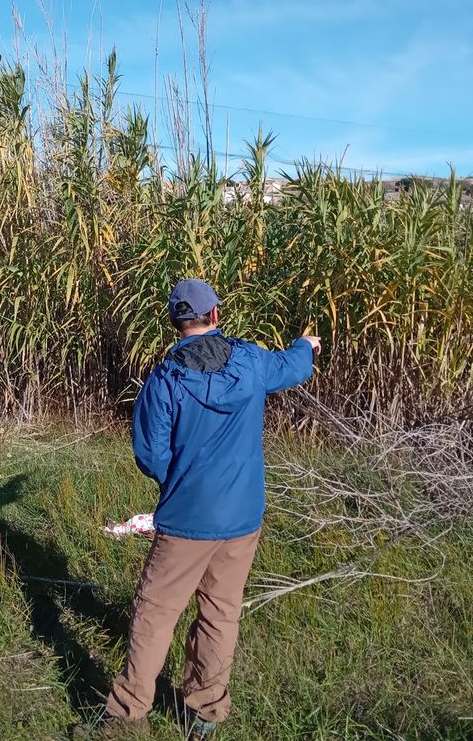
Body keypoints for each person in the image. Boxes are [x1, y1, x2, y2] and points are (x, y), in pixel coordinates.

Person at [77, 279, 320, 740]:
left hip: (187, 518)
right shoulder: (251, 361)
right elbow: (292, 367)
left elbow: (150, 454)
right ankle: (206, 710)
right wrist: (304, 345)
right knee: (220, 612)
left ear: (176, 321)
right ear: (215, 315)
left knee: (155, 612)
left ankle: (127, 711)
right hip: (242, 515)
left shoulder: (165, 379)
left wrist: (179, 480)